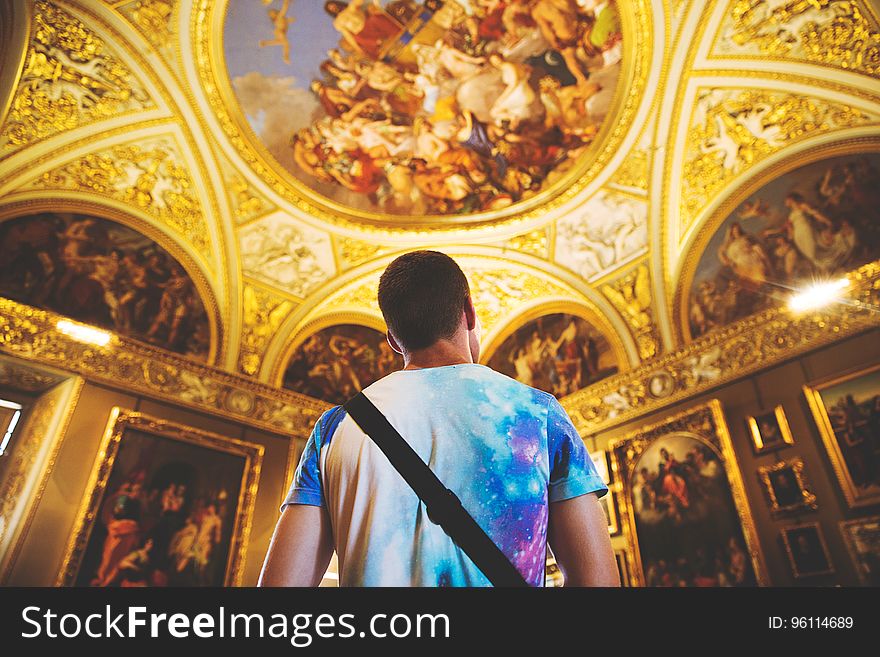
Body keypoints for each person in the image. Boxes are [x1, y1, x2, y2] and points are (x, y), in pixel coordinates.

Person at [259, 250, 617, 587]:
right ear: (470, 312)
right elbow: (597, 583)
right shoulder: (538, 413)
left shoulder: (335, 428)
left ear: (393, 340)